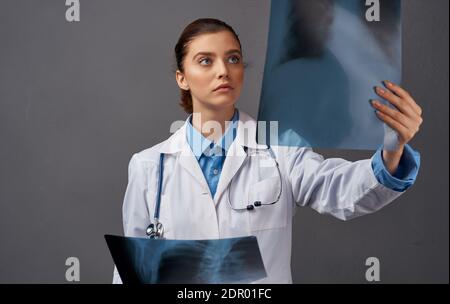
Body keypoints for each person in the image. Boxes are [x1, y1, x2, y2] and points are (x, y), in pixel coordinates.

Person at [113, 18, 422, 284]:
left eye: (233, 58)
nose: (223, 70)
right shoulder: (148, 165)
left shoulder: (280, 146)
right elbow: (132, 271)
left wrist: (391, 151)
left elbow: (340, 191)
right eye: (206, 60)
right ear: (182, 77)